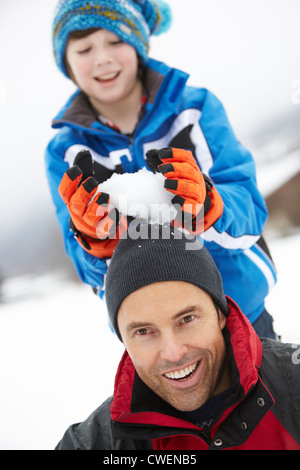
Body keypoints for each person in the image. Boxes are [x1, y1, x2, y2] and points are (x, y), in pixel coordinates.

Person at [45, 0, 277, 337]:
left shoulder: (195, 108)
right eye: (83, 48)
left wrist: (208, 204)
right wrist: (93, 238)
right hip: (150, 333)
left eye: (116, 40)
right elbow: (83, 260)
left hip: (239, 310)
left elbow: (249, 208)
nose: (102, 58)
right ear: (65, 60)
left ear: (138, 43)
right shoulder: (64, 152)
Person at [55, 222, 300, 450]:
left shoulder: (294, 385)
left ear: (220, 314)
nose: (173, 353)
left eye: (187, 319)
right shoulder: (96, 442)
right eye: (143, 331)